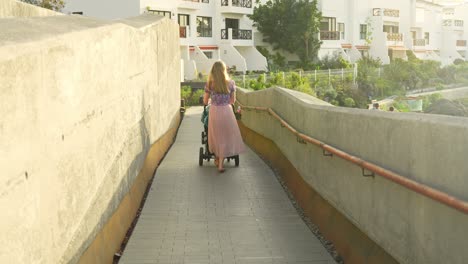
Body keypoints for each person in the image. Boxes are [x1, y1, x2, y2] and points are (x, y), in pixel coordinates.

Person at [203, 61, 245, 173]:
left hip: (214, 112)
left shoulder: (209, 84)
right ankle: (220, 163)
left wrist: (212, 100)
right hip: (226, 111)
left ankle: (218, 160)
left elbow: (205, 101)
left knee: (216, 136)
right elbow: (233, 100)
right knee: (225, 136)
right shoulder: (231, 83)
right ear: (224, 70)